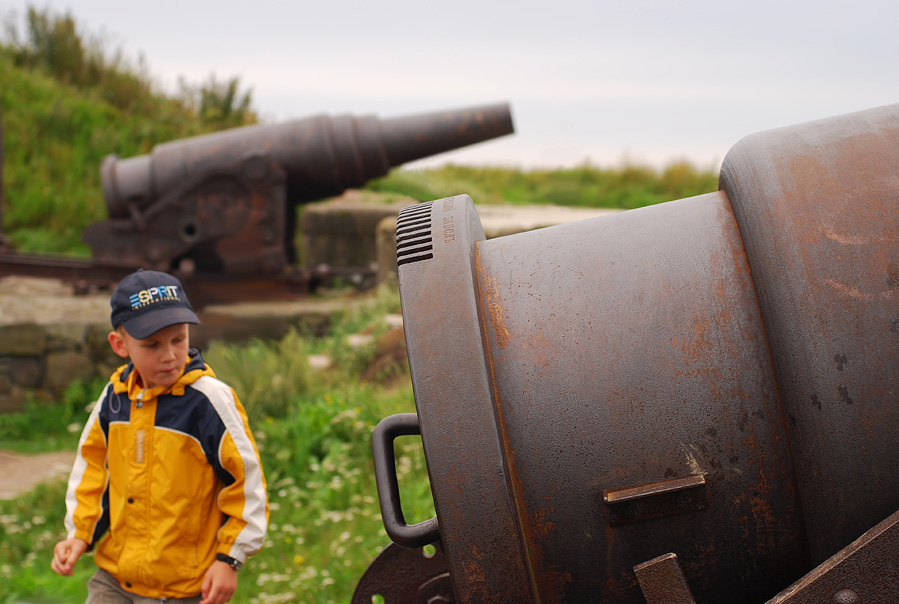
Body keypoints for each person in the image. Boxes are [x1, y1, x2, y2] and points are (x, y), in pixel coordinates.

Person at [50, 269, 268, 604]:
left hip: (183, 589)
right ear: (119, 345)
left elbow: (247, 484)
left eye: (178, 340)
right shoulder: (114, 398)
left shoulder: (210, 401)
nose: (169, 355)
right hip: (114, 578)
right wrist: (79, 534)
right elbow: (93, 469)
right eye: (152, 345)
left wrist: (229, 559)